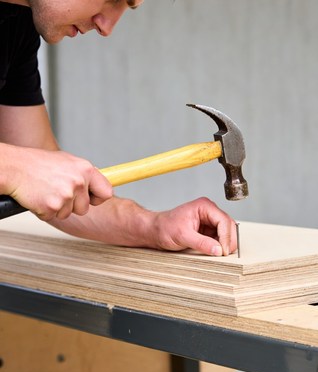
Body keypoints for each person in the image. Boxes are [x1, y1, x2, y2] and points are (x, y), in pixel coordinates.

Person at [0, 0, 237, 256]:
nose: (107, 27)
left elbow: (54, 183)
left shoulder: (17, 26)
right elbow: (29, 168)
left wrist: (153, 226)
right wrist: (16, 168)